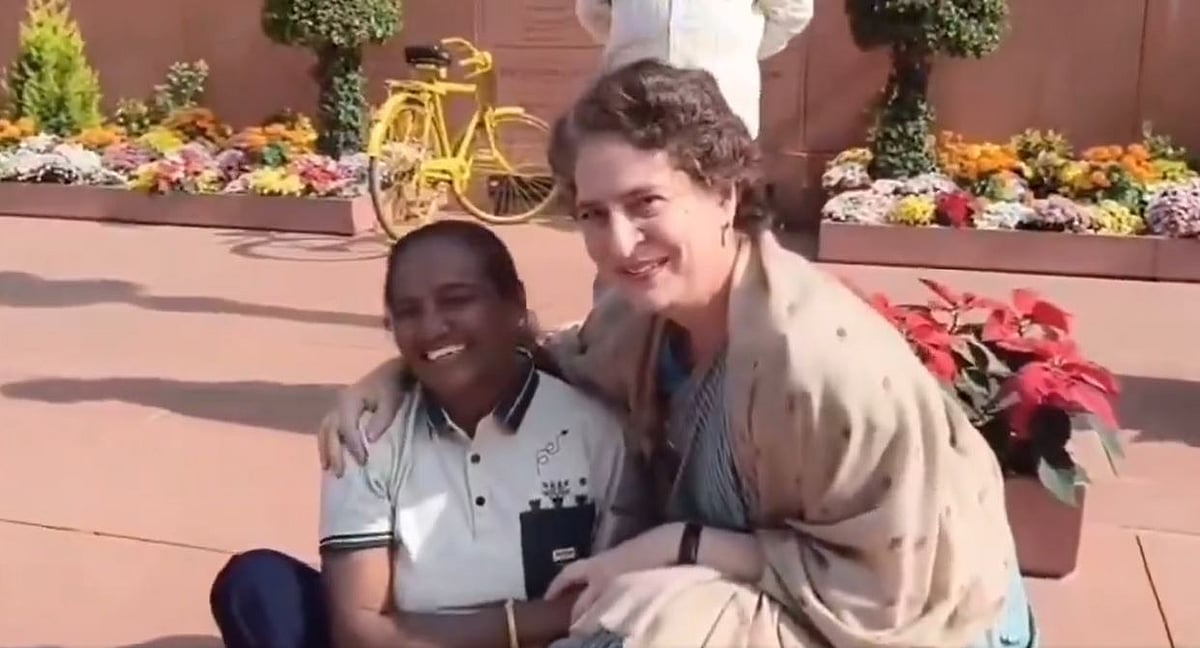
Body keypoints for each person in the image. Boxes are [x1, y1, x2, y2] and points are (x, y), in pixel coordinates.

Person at [319, 61, 1038, 647]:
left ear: (723, 193)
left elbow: (889, 592)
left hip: (923, 620)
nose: (619, 244)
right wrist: (392, 373)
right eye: (593, 215)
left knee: (647, 623)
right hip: (771, 585)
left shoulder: (822, 368)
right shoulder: (640, 326)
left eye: (646, 204)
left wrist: (686, 546)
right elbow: (538, 352)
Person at [211, 220, 646, 648]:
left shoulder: (595, 431)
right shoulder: (369, 436)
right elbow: (359, 628)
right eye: (408, 311)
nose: (433, 327)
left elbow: (614, 600)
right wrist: (531, 619)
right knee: (257, 586)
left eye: (456, 300)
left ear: (514, 303)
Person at [573, 0, 814, 139]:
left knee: (713, 196)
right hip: (634, 98)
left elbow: (792, 12)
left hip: (722, 100)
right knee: (634, 199)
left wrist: (736, 51)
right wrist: (640, 42)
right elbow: (593, 11)